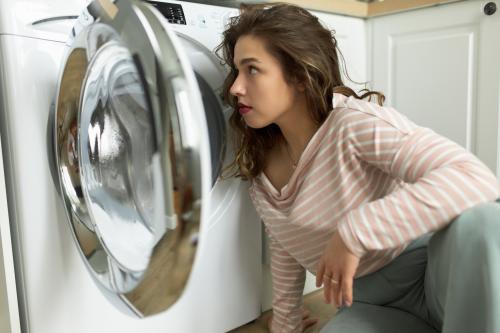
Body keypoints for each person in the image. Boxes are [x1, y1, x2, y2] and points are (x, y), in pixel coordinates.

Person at [216, 3, 500, 333]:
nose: (235, 87)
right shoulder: (261, 169)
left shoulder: (354, 124)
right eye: (236, 71)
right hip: (367, 301)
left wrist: (355, 232)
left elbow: (475, 179)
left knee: (484, 221)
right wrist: (286, 321)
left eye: (251, 69)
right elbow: (286, 244)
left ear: (300, 75)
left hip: (439, 274)